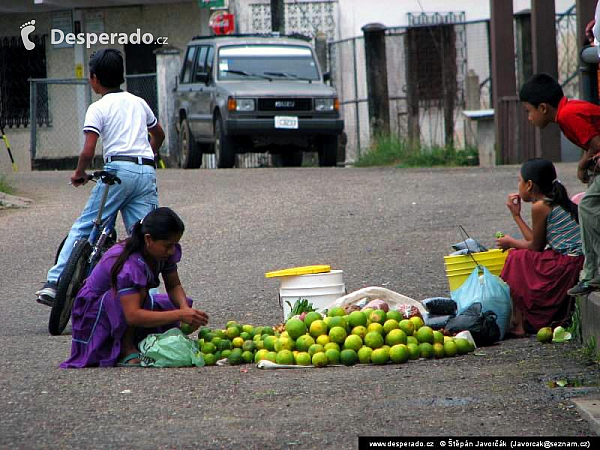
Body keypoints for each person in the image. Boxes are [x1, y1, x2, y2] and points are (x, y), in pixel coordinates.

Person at [36, 48, 165, 306]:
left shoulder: (98, 107)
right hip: (146, 172)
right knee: (144, 236)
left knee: (86, 226)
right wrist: (147, 157)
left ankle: (55, 281)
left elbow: (88, 150)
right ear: (122, 76)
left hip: (117, 172)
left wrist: (79, 173)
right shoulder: (139, 102)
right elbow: (158, 134)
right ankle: (152, 301)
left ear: (94, 78)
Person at [60, 207, 209, 368]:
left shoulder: (161, 252)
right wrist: (179, 314)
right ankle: (126, 349)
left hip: (131, 302)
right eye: (167, 246)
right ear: (148, 239)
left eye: (175, 245)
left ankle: (138, 339)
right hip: (95, 311)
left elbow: (174, 285)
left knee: (174, 303)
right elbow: (133, 316)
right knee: (143, 295)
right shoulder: (128, 265)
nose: (172, 250)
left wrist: (184, 309)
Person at [519, 73, 600, 296]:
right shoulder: (567, 112)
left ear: (543, 107)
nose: (529, 118)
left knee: (588, 207)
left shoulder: (567, 115)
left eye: (529, 111)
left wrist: (582, 166)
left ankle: (594, 275)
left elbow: (597, 144)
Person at [496, 159, 583, 337]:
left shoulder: (540, 206)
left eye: (519, 181)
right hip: (571, 260)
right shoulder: (549, 200)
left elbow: (534, 247)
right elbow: (537, 242)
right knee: (520, 255)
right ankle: (520, 321)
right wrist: (517, 215)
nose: (518, 186)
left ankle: (518, 324)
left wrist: (510, 241)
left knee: (516, 258)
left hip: (568, 263)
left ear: (529, 185)